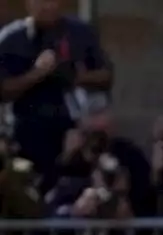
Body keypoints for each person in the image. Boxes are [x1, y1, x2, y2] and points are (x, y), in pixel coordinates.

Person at [0, 0, 112, 188]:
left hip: (73, 134)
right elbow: (3, 90)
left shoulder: (80, 33)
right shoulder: (11, 39)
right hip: (26, 135)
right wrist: (38, 73)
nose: (47, 6)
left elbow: (106, 76)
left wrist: (77, 76)